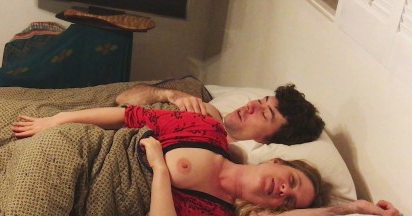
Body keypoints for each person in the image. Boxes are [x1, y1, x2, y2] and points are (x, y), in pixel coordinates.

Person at [12, 106, 403, 216]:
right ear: (277, 160)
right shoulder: (206, 130)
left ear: (273, 210)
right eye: (291, 181)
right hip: (82, 152)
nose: (284, 191)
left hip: (89, 206)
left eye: (289, 200)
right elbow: (128, 115)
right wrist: (55, 120)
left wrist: (354, 208)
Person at [115, 82, 325, 145]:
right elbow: (123, 99)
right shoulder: (206, 110)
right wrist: (170, 95)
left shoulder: (229, 159)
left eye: (264, 114)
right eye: (261, 101)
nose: (252, 105)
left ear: (268, 139)